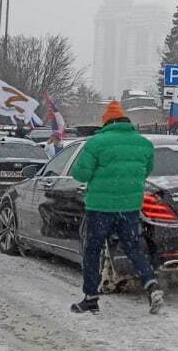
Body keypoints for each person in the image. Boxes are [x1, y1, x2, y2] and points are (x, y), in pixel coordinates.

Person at [69, 100, 163, 315]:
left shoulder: (96, 143)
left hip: (100, 208)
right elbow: (146, 170)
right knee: (133, 247)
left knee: (93, 249)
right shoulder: (143, 144)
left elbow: (80, 174)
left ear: (107, 122)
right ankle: (151, 284)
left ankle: (91, 297)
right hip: (129, 207)